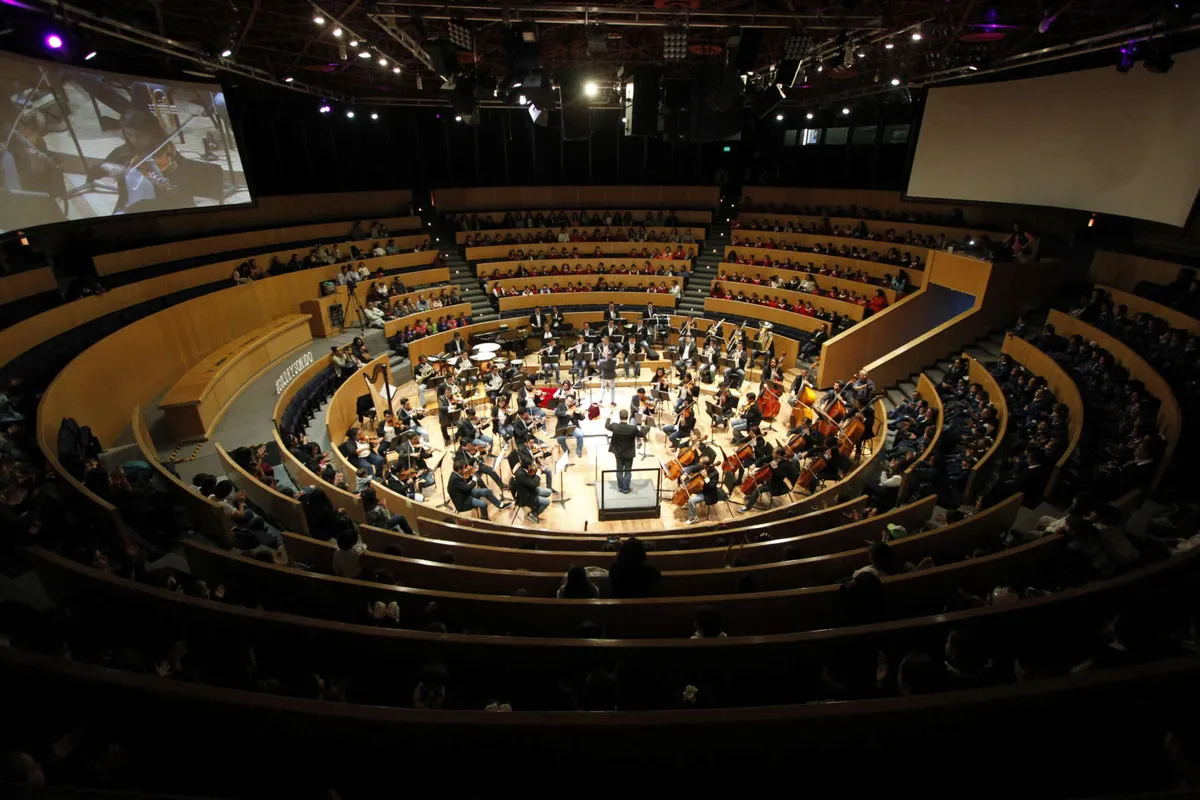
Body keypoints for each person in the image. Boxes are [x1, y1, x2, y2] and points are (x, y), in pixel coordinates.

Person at [738, 446, 799, 512]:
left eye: (774, 453)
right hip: (769, 478)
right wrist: (754, 465)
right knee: (755, 479)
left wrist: (775, 467)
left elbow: (779, 475)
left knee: (758, 489)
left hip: (776, 484)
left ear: (778, 455)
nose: (772, 454)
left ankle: (747, 507)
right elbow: (762, 459)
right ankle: (750, 494)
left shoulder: (785, 464)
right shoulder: (774, 457)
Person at [605, 408, 645, 494]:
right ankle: (626, 489)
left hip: (618, 452)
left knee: (619, 469)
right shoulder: (632, 428)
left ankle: (620, 487)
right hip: (629, 453)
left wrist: (610, 414)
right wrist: (643, 422)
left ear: (620, 417)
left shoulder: (615, 426)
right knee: (628, 470)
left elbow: (606, 425)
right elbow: (642, 434)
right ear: (627, 417)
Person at [683, 455, 723, 524]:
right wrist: (685, 474)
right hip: (701, 488)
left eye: (700, 463)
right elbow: (692, 467)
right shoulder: (701, 467)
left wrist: (706, 477)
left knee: (691, 500)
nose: (698, 464)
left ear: (704, 465)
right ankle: (690, 506)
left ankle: (693, 518)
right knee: (688, 489)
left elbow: (711, 486)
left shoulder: (715, 473)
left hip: (708, 494)